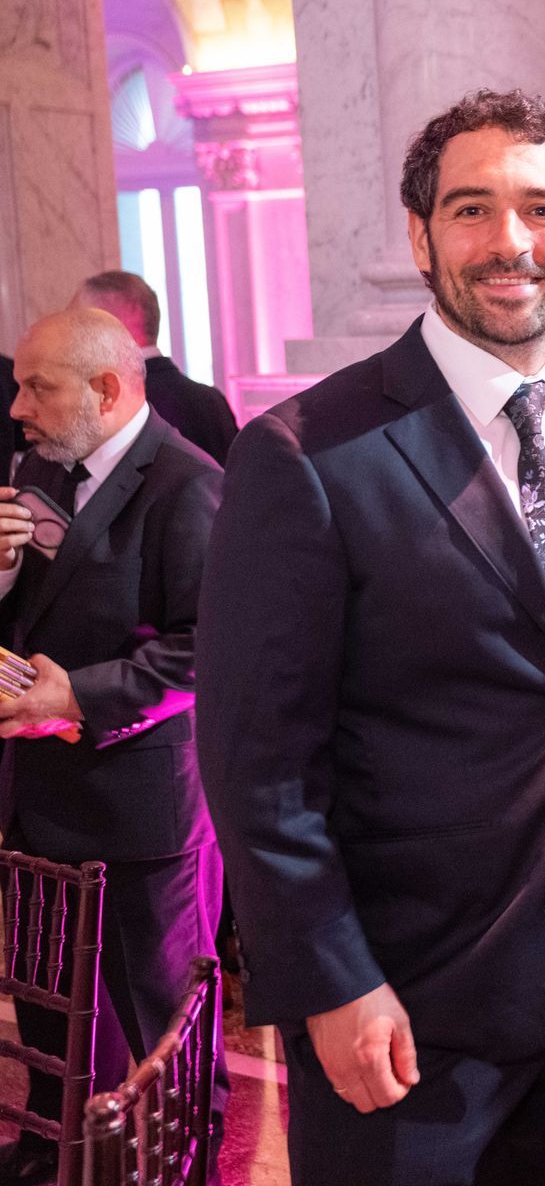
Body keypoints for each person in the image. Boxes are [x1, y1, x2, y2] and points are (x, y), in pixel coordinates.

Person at [198, 89, 545, 1186]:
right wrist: (330, 976)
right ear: (420, 235)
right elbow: (258, 758)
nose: (511, 242)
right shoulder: (308, 453)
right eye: (471, 209)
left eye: (543, 208)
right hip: (406, 990)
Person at [0, 308, 225, 1186]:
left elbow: (205, 646)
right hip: (40, 798)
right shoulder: (35, 469)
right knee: (52, 1015)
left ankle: (166, 1171)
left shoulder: (189, 484)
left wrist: (79, 696)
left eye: (36, 387)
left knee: (154, 1034)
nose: (17, 406)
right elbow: (31, 617)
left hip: (142, 816)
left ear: (104, 388)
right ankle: (57, 1158)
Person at [72, 271, 239, 464]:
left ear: (110, 326)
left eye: (76, 324)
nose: (68, 339)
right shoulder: (211, 400)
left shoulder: (117, 405)